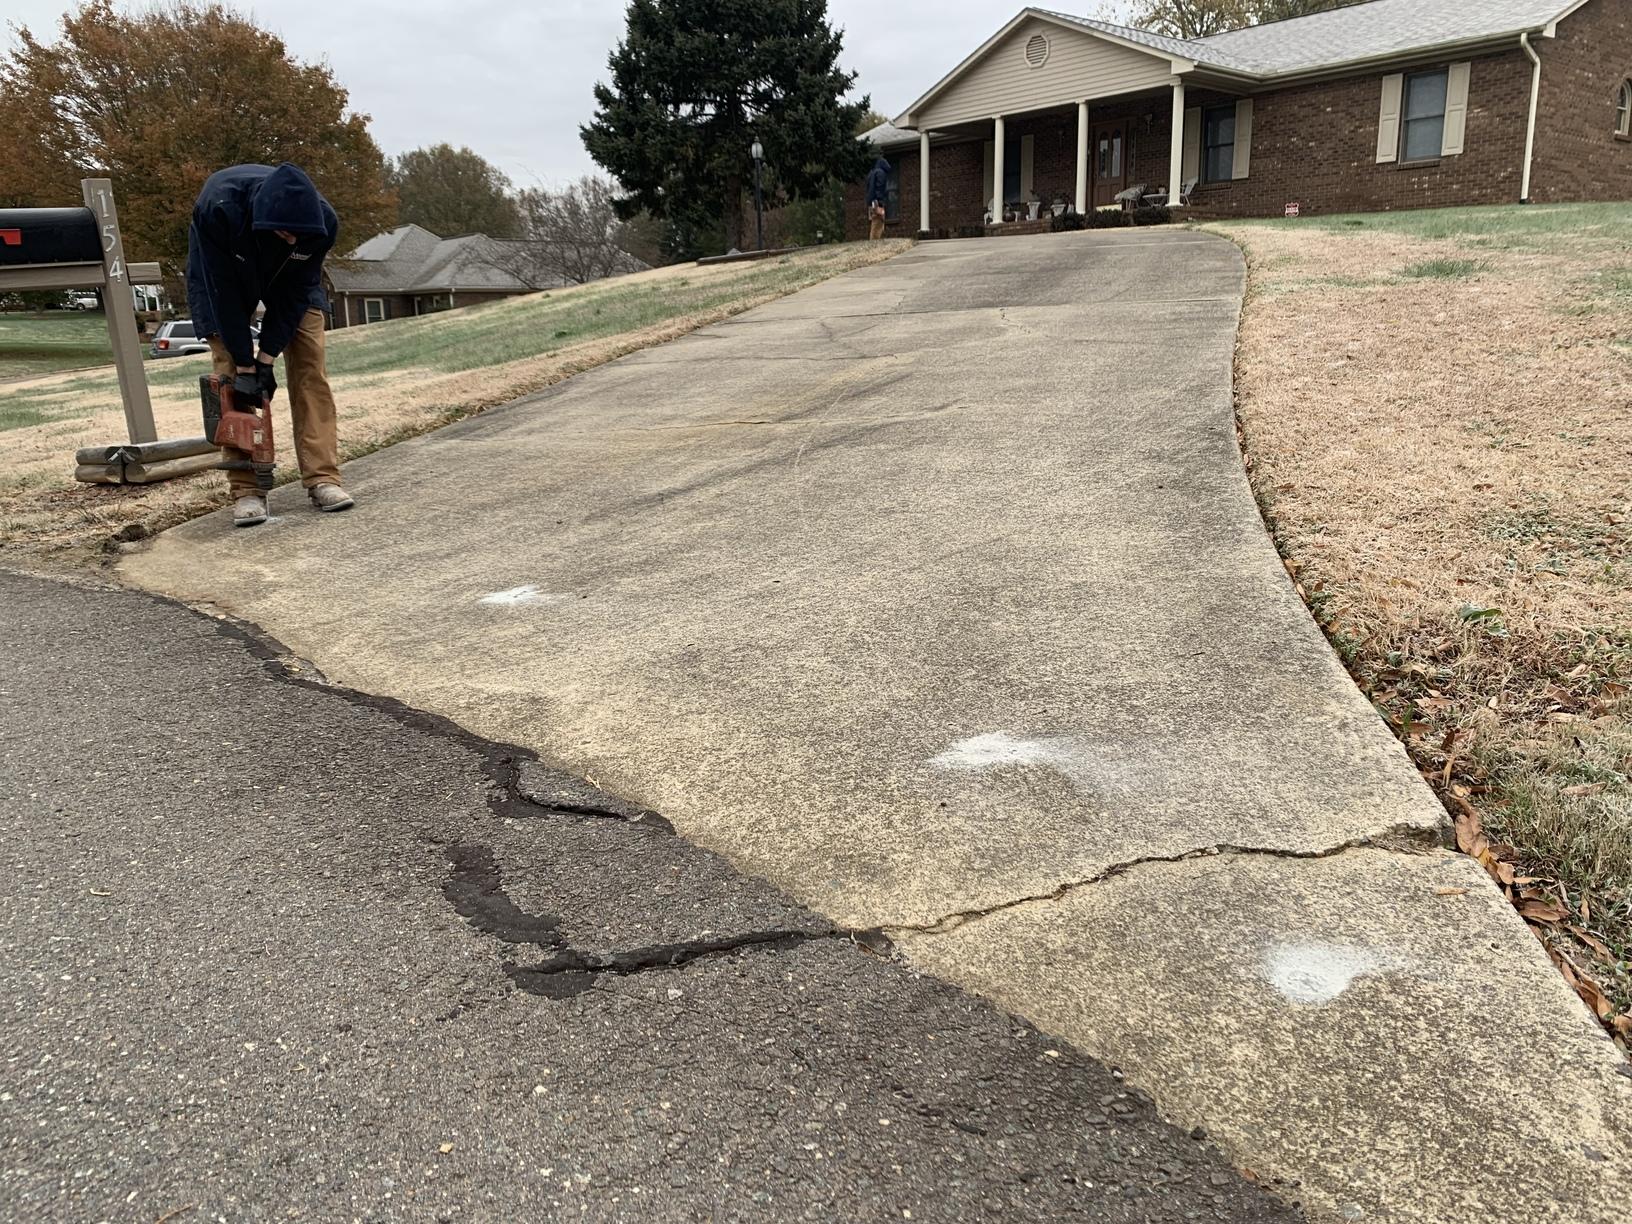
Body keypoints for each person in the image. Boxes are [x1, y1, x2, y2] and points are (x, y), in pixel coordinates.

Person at [187, 162, 353, 527]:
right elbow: (224, 296)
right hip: (224, 273)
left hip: (290, 279)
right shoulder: (219, 209)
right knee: (232, 377)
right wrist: (247, 364)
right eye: (286, 233)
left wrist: (266, 358)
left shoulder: (320, 225)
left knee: (311, 364)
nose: (293, 240)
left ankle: (323, 478)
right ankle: (247, 489)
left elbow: (296, 294)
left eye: (299, 235)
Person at [865, 156, 890, 241]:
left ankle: (874, 240)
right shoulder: (881, 173)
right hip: (877, 202)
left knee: (874, 222)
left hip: (871, 202)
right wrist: (880, 202)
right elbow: (880, 188)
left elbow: (868, 187)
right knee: (878, 223)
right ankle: (875, 242)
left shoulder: (871, 173)